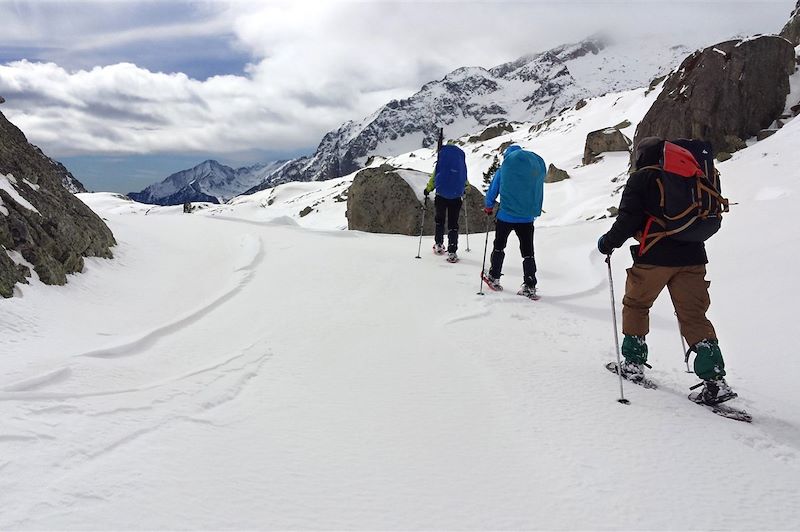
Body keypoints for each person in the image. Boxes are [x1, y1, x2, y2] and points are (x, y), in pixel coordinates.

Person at [597, 137, 735, 405]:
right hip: (693, 254)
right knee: (694, 315)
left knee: (636, 304)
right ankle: (715, 380)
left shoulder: (642, 179)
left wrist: (607, 243)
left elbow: (628, 220)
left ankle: (634, 363)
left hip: (655, 256)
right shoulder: (688, 176)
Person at [482, 145, 546, 298]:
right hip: (527, 218)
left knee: (499, 246)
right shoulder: (531, 171)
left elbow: (493, 189)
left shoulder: (504, 169)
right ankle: (530, 285)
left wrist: (488, 206)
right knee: (528, 252)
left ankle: (494, 276)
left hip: (506, 216)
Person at [424, 144, 468, 263]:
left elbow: (434, 179)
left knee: (440, 220)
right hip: (456, 197)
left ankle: (439, 244)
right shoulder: (460, 166)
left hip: (441, 195)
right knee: (453, 224)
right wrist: (464, 190)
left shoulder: (441, 164)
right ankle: (452, 251)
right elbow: (465, 181)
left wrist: (428, 189)